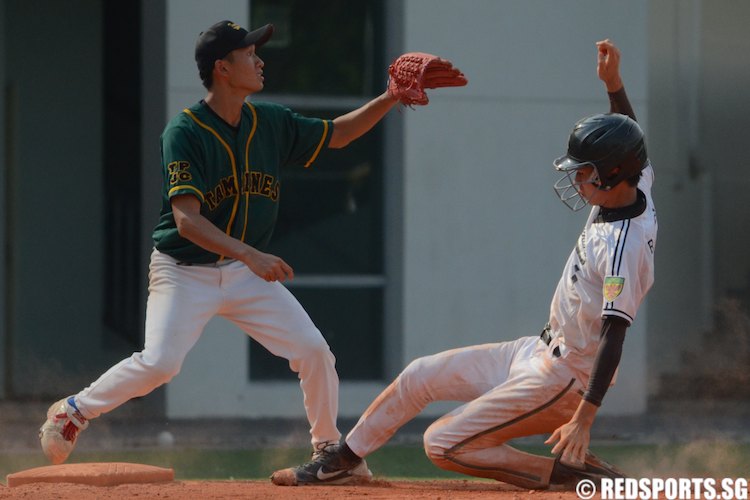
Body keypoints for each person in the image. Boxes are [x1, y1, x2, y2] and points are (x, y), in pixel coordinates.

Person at [271, 39, 657, 488]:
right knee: (419, 376)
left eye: (584, 169)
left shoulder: (624, 247)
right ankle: (343, 459)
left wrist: (584, 419)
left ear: (612, 173)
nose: (575, 176)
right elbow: (629, 132)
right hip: (537, 351)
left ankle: (566, 474)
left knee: (441, 444)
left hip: (568, 379)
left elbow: (614, 334)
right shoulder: (635, 180)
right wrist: (614, 86)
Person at [38, 20, 412, 470]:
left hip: (241, 273)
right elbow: (187, 220)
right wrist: (251, 254)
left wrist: (390, 97)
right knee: (160, 364)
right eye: (249, 53)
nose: (259, 60)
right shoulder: (185, 132)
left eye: (257, 51)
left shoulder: (270, 122)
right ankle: (73, 411)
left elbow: (339, 134)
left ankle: (329, 450)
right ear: (223, 68)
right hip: (184, 269)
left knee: (313, 350)